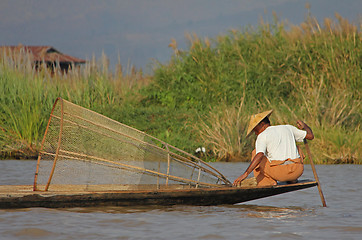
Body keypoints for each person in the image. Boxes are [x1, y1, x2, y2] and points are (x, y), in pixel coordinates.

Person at [233, 110, 314, 187]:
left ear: (262, 124)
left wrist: (245, 174)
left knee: (255, 153)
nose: (255, 132)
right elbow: (310, 136)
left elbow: (260, 155)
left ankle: (268, 182)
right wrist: (304, 126)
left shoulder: (263, 135)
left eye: (255, 129)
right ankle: (292, 180)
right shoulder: (288, 128)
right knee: (296, 148)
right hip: (297, 171)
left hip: (280, 173)